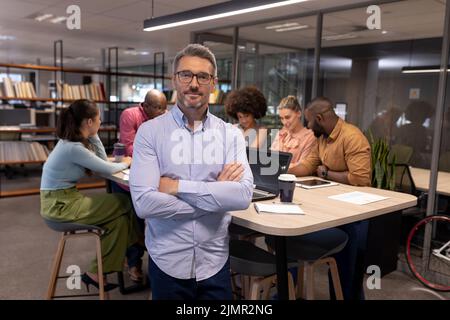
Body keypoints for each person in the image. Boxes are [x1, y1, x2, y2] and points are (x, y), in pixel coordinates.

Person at [130, 44, 253, 300]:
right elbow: (143, 204)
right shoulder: (150, 133)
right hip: (168, 260)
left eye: (203, 76)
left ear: (213, 83)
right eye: (186, 75)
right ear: (174, 79)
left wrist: (177, 188)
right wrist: (217, 198)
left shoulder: (230, 135)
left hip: (214, 261)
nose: (193, 84)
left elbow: (241, 196)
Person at [40, 99, 137, 291]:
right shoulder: (73, 148)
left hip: (64, 200)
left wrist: (94, 135)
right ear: (89, 122)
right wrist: (127, 161)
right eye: (99, 119)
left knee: (119, 222)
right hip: (61, 206)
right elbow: (108, 169)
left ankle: (95, 273)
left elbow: (101, 161)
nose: (101, 122)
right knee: (124, 202)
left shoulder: (72, 142)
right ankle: (139, 240)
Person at [290, 96, 371, 300]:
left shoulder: (352, 136)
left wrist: (326, 173)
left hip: (355, 213)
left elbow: (361, 179)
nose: (308, 127)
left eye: (309, 122)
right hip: (333, 207)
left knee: (348, 271)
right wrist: (284, 172)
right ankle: (288, 291)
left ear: (319, 118)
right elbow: (309, 165)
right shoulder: (322, 138)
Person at [111, 89, 167, 283]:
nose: (163, 112)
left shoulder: (164, 118)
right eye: (159, 108)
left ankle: (158, 267)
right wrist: (156, 152)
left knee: (156, 218)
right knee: (133, 219)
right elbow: (130, 147)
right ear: (146, 106)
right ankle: (133, 263)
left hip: (155, 177)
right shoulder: (130, 115)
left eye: (165, 108)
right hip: (128, 178)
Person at [271, 95, 316, 168]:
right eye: (282, 118)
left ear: (298, 113)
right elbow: (271, 159)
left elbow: (303, 166)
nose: (284, 122)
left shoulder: (310, 137)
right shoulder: (281, 134)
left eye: (287, 117)